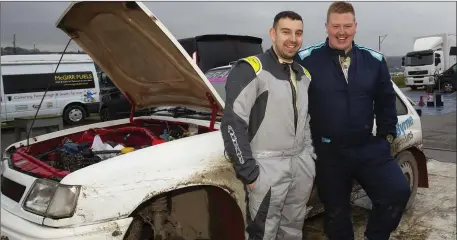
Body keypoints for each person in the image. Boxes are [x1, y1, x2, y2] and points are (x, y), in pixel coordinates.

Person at [295, 1, 411, 240]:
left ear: (355, 26)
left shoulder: (374, 60)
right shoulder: (306, 59)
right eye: (336, 26)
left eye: (347, 26)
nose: (341, 32)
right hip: (328, 151)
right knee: (336, 214)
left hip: (368, 147)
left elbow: (386, 102)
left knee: (396, 192)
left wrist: (386, 138)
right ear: (326, 26)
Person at [220, 10, 316, 240]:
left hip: (300, 164)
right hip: (267, 167)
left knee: (293, 228)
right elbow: (233, 124)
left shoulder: (304, 75)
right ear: (273, 34)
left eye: (298, 33)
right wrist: (249, 173)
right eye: (286, 32)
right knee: (264, 232)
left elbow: (306, 121)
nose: (293, 39)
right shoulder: (252, 69)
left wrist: (310, 157)